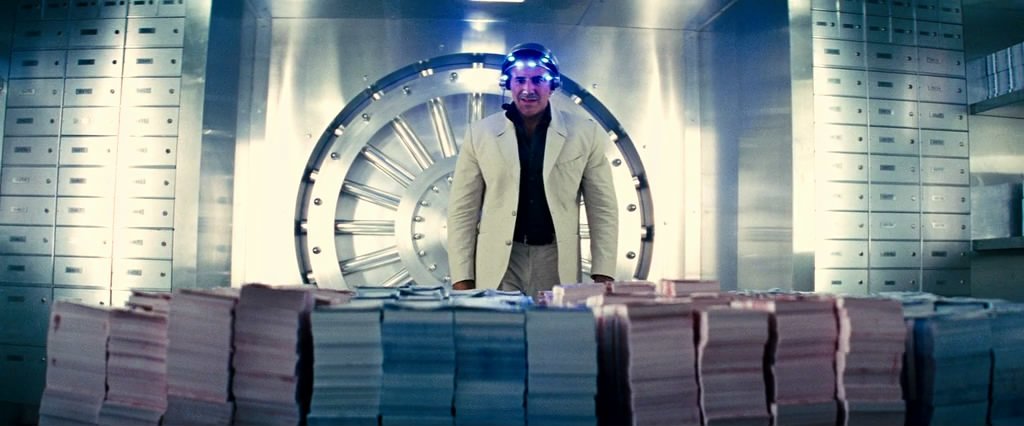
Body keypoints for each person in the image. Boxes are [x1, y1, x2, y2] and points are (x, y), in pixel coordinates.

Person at [447, 42, 619, 296]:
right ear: (508, 84)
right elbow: (463, 210)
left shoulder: (585, 134)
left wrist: (603, 273)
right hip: (500, 262)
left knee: (551, 323)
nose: (528, 89)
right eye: (520, 80)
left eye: (538, 80)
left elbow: (602, 208)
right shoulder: (480, 135)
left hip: (555, 259)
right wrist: (462, 278)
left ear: (553, 85)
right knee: (498, 323)